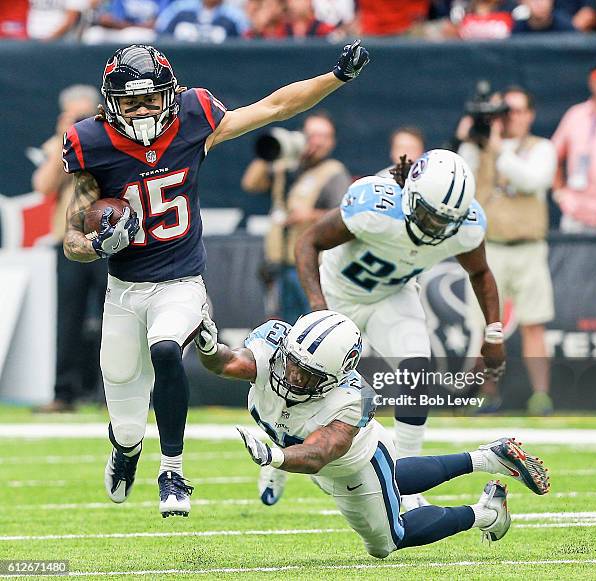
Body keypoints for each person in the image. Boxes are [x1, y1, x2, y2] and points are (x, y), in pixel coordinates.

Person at [61, 42, 370, 518]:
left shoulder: (193, 117)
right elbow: (72, 239)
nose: (144, 110)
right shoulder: (92, 142)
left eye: (152, 99)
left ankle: (173, 470)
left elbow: (275, 106)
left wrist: (336, 77)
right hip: (124, 290)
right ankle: (126, 451)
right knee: (123, 404)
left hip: (181, 280)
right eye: (131, 101)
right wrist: (97, 243)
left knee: (167, 348)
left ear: (171, 94)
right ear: (110, 104)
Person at [195, 308, 549, 558]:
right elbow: (229, 362)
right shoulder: (273, 345)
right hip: (327, 460)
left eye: (308, 374)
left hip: (353, 463)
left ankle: (486, 513)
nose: (292, 377)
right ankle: (486, 458)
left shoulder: (352, 399)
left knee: (387, 541)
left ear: (334, 377)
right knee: (394, 480)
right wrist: (210, 350)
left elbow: (319, 454)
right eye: (291, 363)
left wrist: (276, 457)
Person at [294, 149, 506, 509]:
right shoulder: (373, 207)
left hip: (391, 295)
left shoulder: (467, 224)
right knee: (307, 389)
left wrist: (494, 334)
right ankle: (281, 462)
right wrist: (319, 306)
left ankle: (404, 483)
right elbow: (307, 242)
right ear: (410, 198)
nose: (436, 229)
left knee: (416, 373)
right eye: (430, 215)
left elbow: (480, 272)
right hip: (338, 294)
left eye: (445, 221)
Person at [457, 87, 557, 415]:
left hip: (528, 246)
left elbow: (533, 181)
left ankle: (541, 396)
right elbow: (462, 181)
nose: (508, 117)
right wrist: (468, 141)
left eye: (514, 111)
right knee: (488, 324)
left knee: (534, 322)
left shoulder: (541, 148)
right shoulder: (483, 148)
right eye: (503, 111)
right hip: (491, 248)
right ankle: (488, 393)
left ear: (530, 114)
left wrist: (500, 151)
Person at [33, 85, 107, 414]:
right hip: (70, 241)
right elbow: (43, 186)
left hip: (109, 239)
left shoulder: (109, 138)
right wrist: (65, 139)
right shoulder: (63, 144)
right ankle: (64, 391)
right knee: (69, 318)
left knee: (118, 317)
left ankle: (112, 393)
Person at [242, 111, 352, 324]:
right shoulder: (285, 165)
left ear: (332, 142)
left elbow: (345, 214)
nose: (317, 142)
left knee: (314, 324)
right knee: (284, 326)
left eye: (324, 136)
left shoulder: (333, 172)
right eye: (312, 135)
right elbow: (251, 184)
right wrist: (275, 149)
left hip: (310, 266)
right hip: (278, 264)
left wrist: (309, 215)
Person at [552, 57, 596, 235]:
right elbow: (553, 155)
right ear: (592, 82)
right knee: (572, 262)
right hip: (575, 212)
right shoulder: (575, 115)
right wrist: (559, 191)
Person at [155, 0, 249, 43]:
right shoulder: (179, 8)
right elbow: (161, 34)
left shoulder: (235, 16)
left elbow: (244, 42)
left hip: (220, 67)